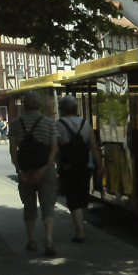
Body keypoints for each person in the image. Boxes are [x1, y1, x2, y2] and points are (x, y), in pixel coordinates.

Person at [8, 91, 58, 256]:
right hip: (46, 169)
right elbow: (54, 148)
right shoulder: (49, 123)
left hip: (26, 169)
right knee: (48, 205)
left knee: (29, 206)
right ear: (39, 105)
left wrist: (20, 170)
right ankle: (49, 240)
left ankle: (31, 240)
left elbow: (13, 151)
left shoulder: (15, 123)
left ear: (24, 106)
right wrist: (45, 167)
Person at [56, 95, 102, 243]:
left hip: (68, 166)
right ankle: (81, 226)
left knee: (72, 196)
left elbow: (55, 148)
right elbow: (93, 147)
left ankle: (80, 232)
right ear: (76, 108)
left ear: (62, 109)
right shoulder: (85, 123)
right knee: (83, 194)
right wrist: (99, 166)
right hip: (85, 164)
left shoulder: (58, 125)